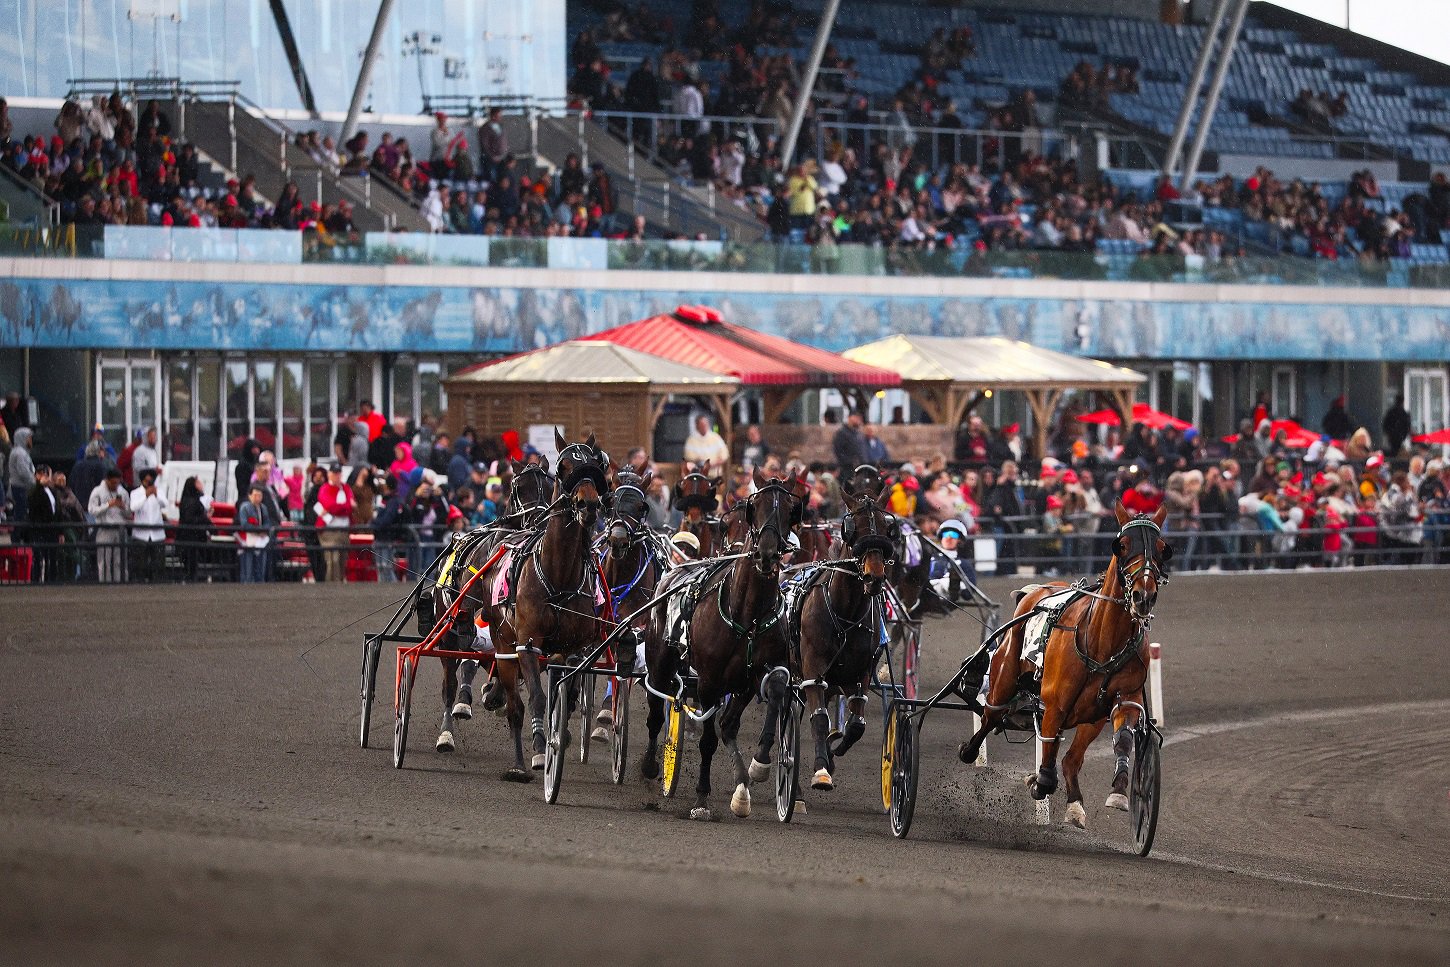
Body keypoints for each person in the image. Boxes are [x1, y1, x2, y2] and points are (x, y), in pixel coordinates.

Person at [314, 461, 355, 583]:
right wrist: (345, 507)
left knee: (342, 561)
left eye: (339, 473)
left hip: (344, 530)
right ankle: (332, 585)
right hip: (329, 531)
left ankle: (339, 582)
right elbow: (330, 505)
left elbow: (349, 507)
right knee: (333, 560)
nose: (337, 476)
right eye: (335, 473)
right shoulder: (325, 488)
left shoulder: (346, 488)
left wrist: (341, 508)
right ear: (330, 474)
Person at [89, 467, 131, 583]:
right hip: (104, 528)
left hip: (120, 529)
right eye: (113, 483)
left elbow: (129, 514)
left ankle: (121, 582)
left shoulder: (123, 492)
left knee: (120, 560)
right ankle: (104, 583)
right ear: (107, 480)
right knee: (104, 561)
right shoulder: (97, 491)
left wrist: (123, 507)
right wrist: (108, 505)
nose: (115, 485)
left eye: (117, 483)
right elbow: (92, 510)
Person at [130, 467, 171, 582]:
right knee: (140, 564)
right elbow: (133, 507)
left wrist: (156, 494)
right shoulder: (136, 493)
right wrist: (145, 496)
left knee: (158, 564)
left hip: (157, 534)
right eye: (148, 481)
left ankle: (157, 583)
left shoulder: (159, 491)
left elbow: (165, 504)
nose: (150, 483)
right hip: (140, 534)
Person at [372, 474, 410, 582]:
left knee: (385, 566)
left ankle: (391, 588)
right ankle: (385, 590)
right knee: (382, 567)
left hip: (385, 538)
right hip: (383, 537)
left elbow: (386, 520)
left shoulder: (392, 501)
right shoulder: (391, 500)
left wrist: (375, 522)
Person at [236, 483, 277, 583]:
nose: (258, 498)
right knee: (248, 568)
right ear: (249, 495)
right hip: (248, 540)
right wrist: (259, 530)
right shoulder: (245, 507)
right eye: (255, 495)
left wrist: (264, 530)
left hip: (261, 540)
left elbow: (267, 521)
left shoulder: (263, 508)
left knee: (260, 568)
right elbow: (244, 524)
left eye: (260, 495)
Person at [177, 476, 213, 582]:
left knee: (191, 566)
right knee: (191, 566)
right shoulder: (191, 501)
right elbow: (190, 518)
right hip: (191, 538)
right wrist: (205, 518)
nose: (201, 485)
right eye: (198, 483)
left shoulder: (192, 500)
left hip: (190, 537)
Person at [26, 465, 58, 582]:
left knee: (51, 557)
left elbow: (56, 509)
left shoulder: (51, 490)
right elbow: (33, 501)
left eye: (45, 474)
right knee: (38, 557)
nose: (44, 477)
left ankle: (51, 580)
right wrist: (39, 485)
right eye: (40, 474)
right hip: (39, 529)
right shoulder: (33, 490)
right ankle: (36, 581)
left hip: (51, 529)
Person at [8, 426, 34, 521]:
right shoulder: (20, 454)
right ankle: (18, 534)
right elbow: (23, 472)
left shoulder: (20, 452)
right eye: (29, 438)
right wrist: (34, 482)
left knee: (20, 512)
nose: (31, 441)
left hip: (19, 487)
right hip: (21, 488)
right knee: (21, 514)